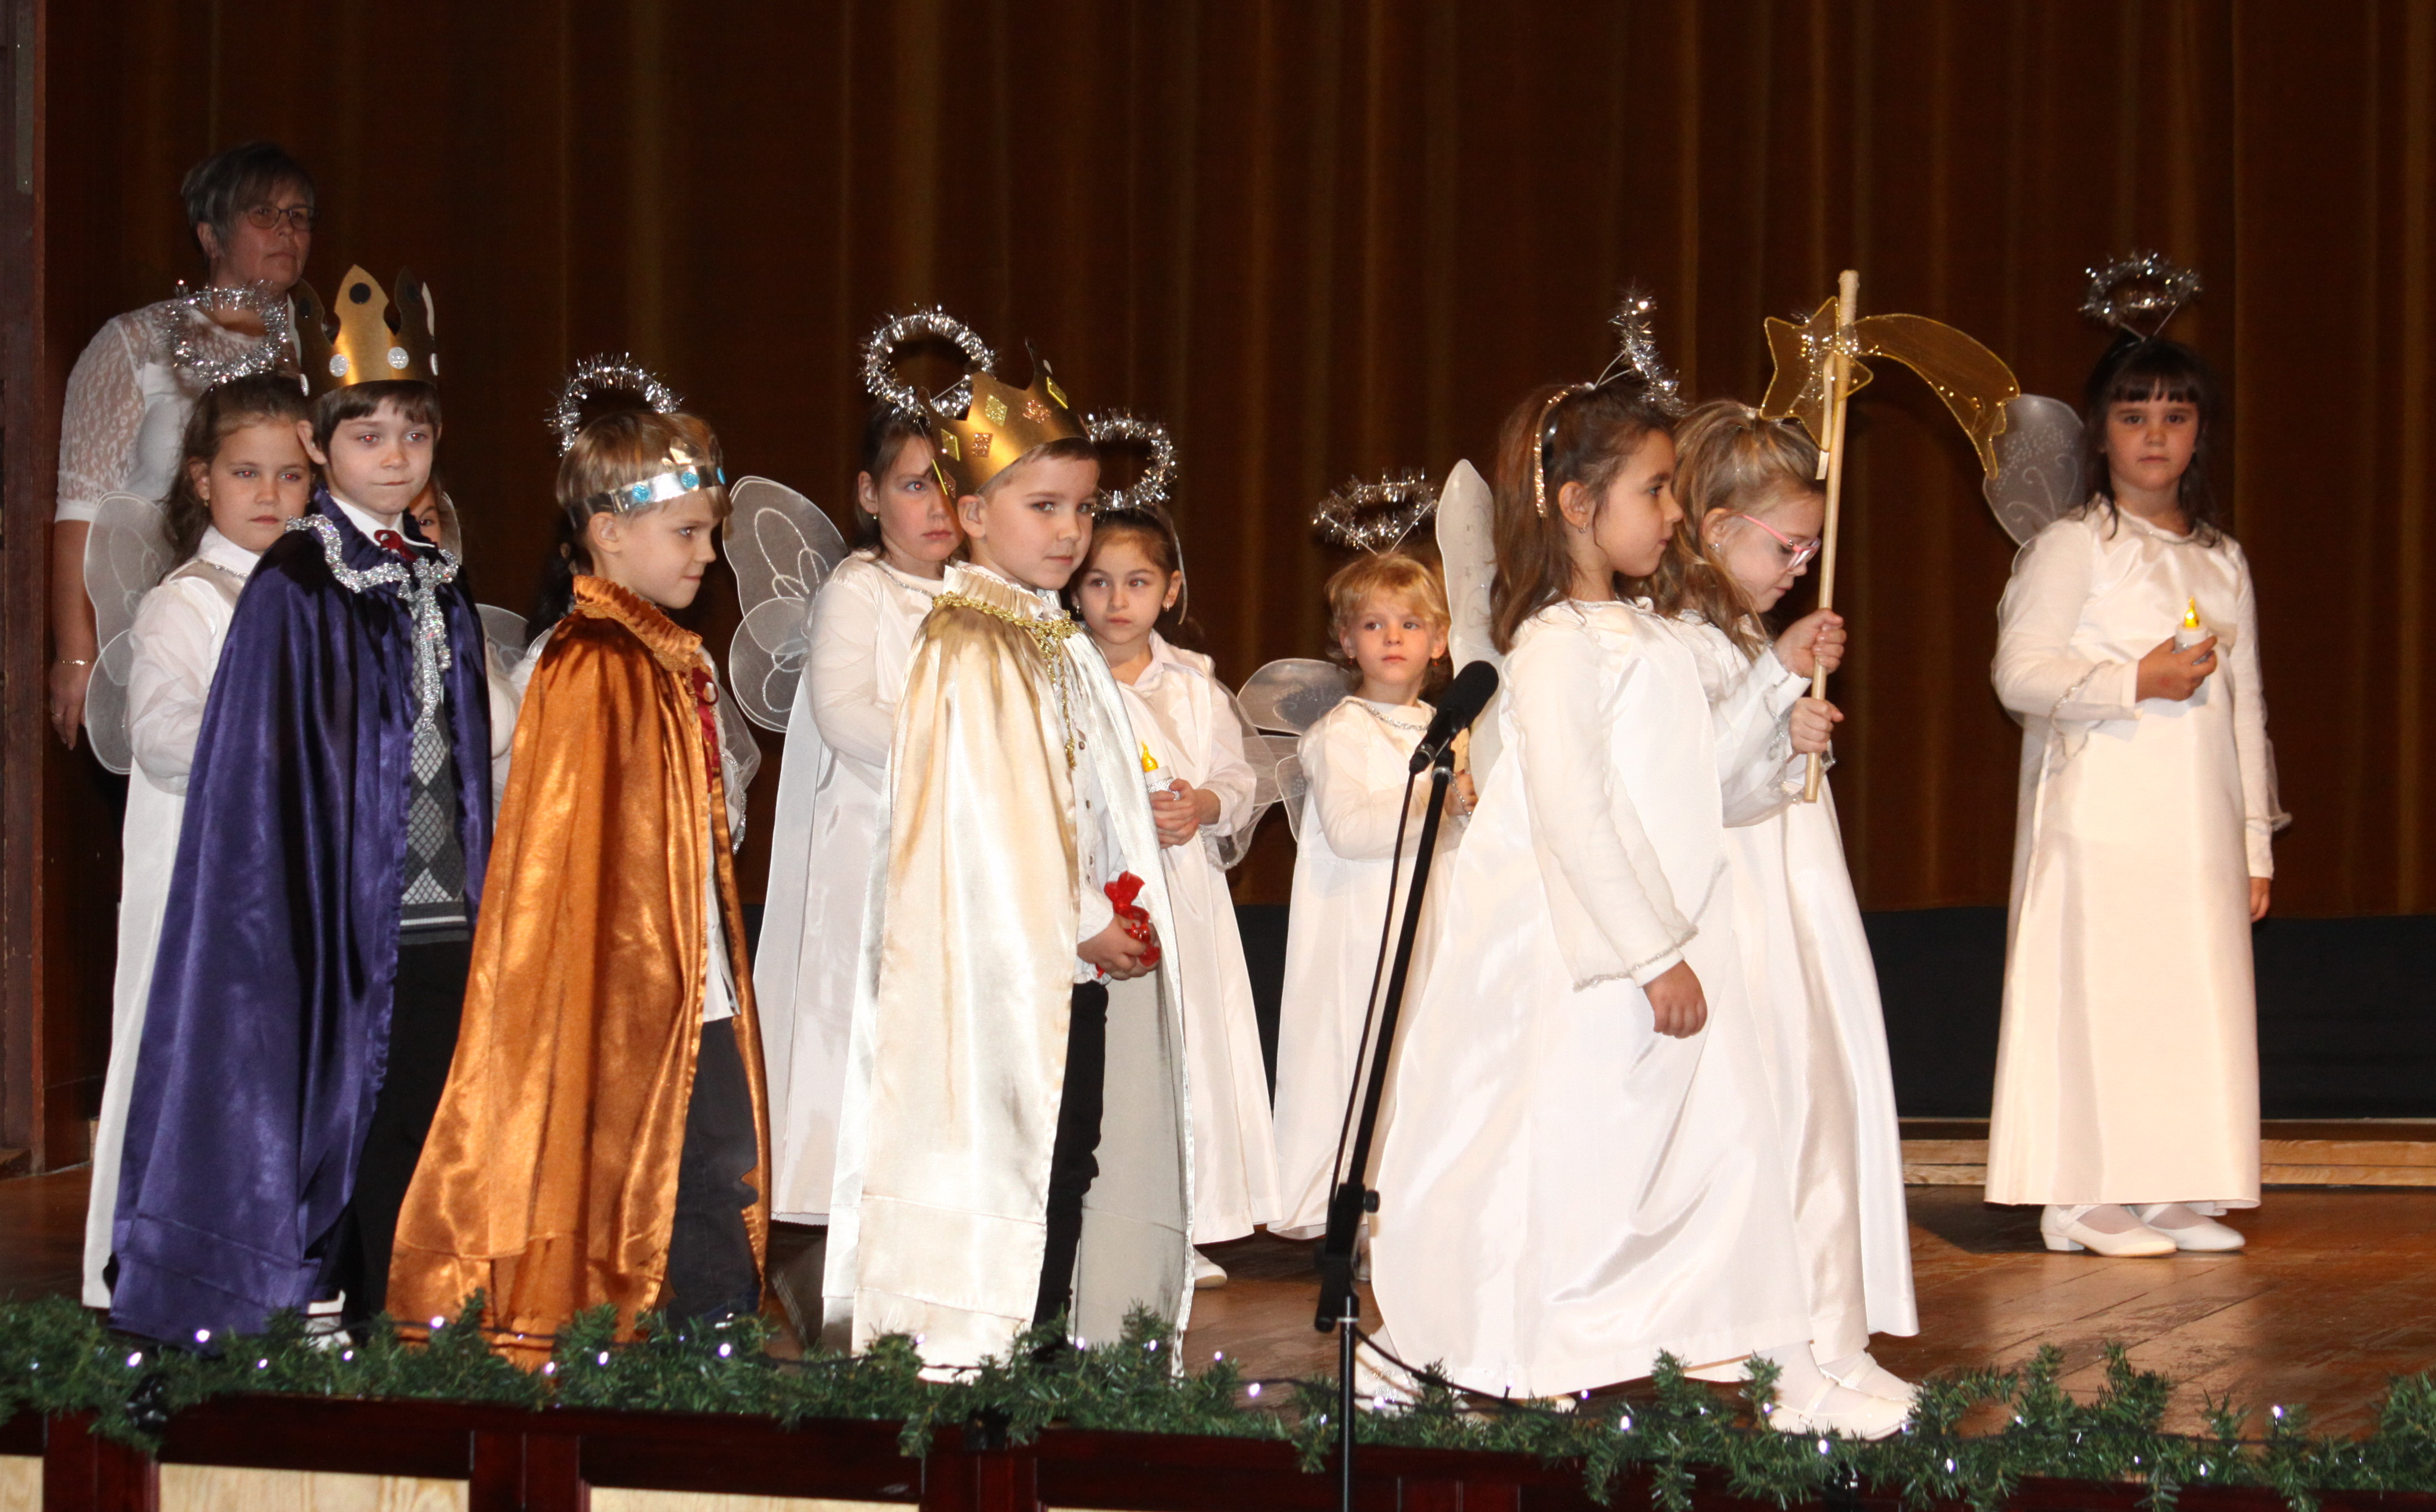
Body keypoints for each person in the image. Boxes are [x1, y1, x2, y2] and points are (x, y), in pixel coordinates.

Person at [1369, 378, 1904, 1436]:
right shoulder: (1558, 645)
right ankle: (1475, 1351)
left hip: (1672, 935)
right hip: (1597, 960)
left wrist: (1776, 694)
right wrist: (1653, 954)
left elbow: (1712, 786)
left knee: (1730, 1155)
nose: (1673, 511)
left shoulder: (1649, 636)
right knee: (1568, 1164)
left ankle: (1781, 1364)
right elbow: (1575, 813)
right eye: (1655, 490)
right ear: (1578, 505)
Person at [107, 267, 492, 1343]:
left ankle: (403, 1307)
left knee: (420, 1101)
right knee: (328, 1103)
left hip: (438, 902)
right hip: (332, 910)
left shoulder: (436, 577)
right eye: (369, 437)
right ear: (323, 447)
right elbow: (257, 762)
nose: (396, 457)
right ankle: (309, 1295)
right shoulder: (295, 584)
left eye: (414, 435)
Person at [821, 350, 1192, 1366]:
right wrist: (1087, 919)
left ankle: (1042, 1353)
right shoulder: (971, 641)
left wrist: (1121, 895)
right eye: (1045, 507)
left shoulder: (1047, 634)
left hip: (1067, 964)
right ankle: (992, 1363)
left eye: (1084, 507)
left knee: (1069, 1161)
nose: (1072, 531)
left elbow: (1088, 790)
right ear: (974, 513)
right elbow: (993, 815)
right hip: (1010, 972)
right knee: (1017, 1161)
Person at [389, 374, 767, 1352]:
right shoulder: (590, 660)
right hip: (630, 995)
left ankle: (706, 1352)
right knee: (685, 1169)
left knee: (717, 1161)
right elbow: (566, 853)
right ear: (608, 533)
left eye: (710, 533)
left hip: (695, 981)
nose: (708, 553)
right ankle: (695, 1360)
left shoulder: (667, 655)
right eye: (687, 533)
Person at [1642, 399, 1918, 1400]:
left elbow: (1765, 775)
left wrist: (1799, 728)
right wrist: (1776, 683)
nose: (1803, 565)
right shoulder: (1676, 641)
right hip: (1739, 908)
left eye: (1812, 547)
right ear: (1718, 529)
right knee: (1778, 1112)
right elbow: (1695, 786)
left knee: (1822, 1099)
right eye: (1788, 545)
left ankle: (1831, 1333)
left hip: (1795, 893)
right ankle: (1781, 1346)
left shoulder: (1740, 635)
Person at [1986, 334, 2280, 1257]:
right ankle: (2080, 1194)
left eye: (2175, 416)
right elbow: (2019, 673)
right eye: (2134, 414)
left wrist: (2254, 842)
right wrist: (2133, 680)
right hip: (2100, 817)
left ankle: (2165, 1184)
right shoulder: (2075, 546)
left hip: (2195, 825)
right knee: (2103, 995)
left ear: (2201, 432)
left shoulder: (2223, 561)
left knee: (2186, 996)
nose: (2155, 435)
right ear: (2101, 432)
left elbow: (2247, 708)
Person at [79, 374, 313, 1308]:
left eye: (291, 475)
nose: (269, 494)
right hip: (203, 880)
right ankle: (150, 1264)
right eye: (246, 472)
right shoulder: (187, 602)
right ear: (202, 479)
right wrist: (280, 726)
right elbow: (162, 736)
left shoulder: (315, 597)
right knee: (190, 1059)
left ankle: (267, 1261)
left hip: (291, 874)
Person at [755, 404, 957, 1232]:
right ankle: (851, 1196)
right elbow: (844, 713)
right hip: (872, 838)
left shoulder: (984, 597)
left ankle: (932, 1190)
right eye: (914, 486)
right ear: (870, 495)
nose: (938, 506)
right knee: (867, 1007)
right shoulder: (858, 589)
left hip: (954, 840)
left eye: (951, 486)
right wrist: (960, 756)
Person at [1072, 500, 1278, 1285]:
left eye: (1136, 582)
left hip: (1184, 894)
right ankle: (1102, 1224)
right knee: (1113, 1058)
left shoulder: (1194, 684)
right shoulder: (1062, 673)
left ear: (1171, 589)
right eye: (1098, 582)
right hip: (1104, 884)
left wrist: (1203, 804)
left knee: (1188, 1049)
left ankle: (1183, 1221)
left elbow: (1239, 777)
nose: (1116, 600)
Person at [52, 141, 314, 747]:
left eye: (300, 216)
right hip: (166, 617)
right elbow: (81, 510)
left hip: (281, 615)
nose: (287, 230)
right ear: (210, 235)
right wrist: (75, 654)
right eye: (264, 213)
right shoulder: (137, 340)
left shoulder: (319, 351)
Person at [1270, 553, 1459, 1242]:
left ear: (1438, 641)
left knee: (1425, 1059)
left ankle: (1414, 1210)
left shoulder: (1450, 728)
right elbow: (1351, 831)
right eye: (1374, 624)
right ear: (1346, 641)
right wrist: (1439, 799)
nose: (1393, 637)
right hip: (1360, 928)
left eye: (1410, 623)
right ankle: (1350, 1212)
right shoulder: (1340, 732)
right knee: (1360, 1054)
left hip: (1431, 919)